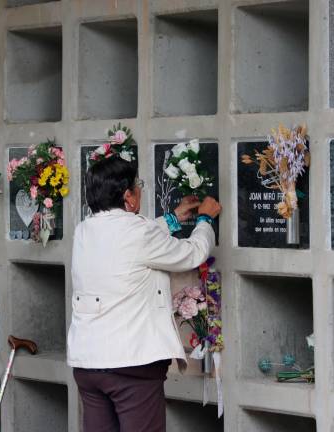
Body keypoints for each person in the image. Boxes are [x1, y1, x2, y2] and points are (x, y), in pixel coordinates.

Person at [68, 156, 221, 432]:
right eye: (138, 185)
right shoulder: (137, 233)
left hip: (88, 363)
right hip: (130, 365)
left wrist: (173, 219)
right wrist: (205, 220)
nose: (140, 190)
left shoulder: (83, 231)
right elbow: (192, 253)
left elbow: (129, 242)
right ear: (128, 197)